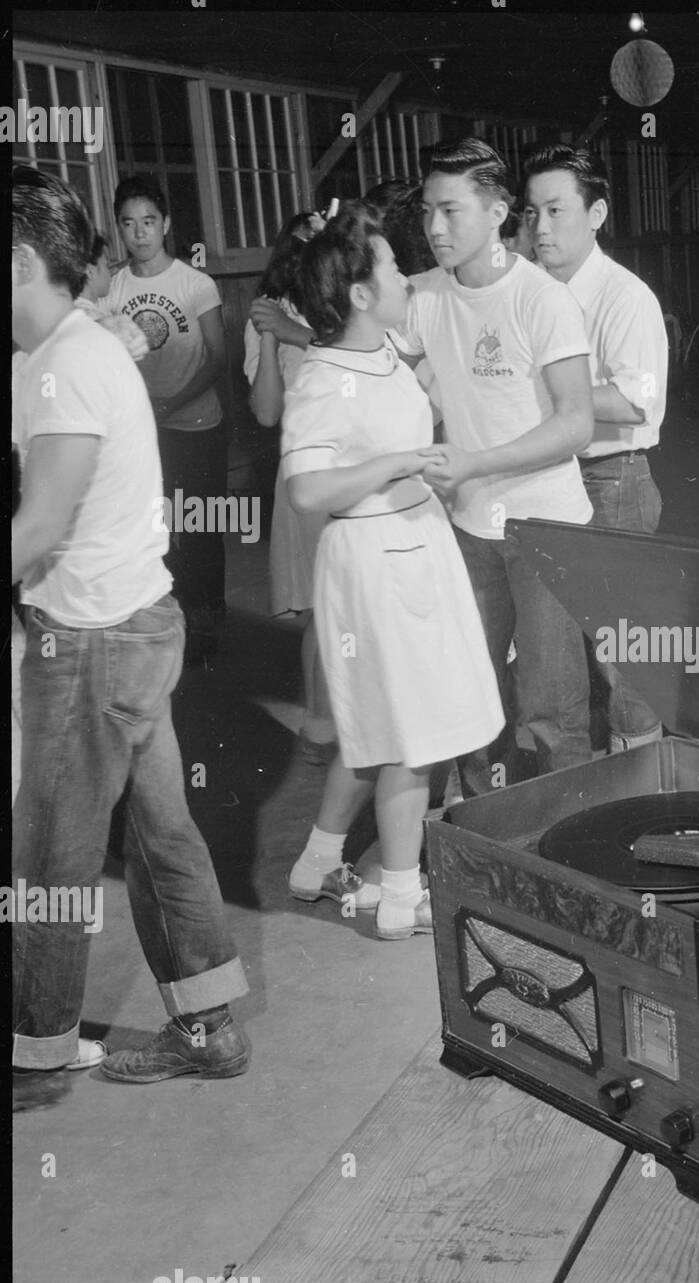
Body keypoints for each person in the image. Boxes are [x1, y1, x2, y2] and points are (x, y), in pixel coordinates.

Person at [11, 165, 251, 1086]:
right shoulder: (72, 349)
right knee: (162, 836)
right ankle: (207, 1027)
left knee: (48, 854)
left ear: (24, 257)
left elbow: (38, 526)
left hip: (93, 644)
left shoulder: (67, 365)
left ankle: (33, 1052)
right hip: (138, 626)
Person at [282, 203, 503, 940]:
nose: (406, 273)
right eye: (389, 266)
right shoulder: (322, 376)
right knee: (411, 731)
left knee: (372, 724)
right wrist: (402, 463)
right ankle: (403, 896)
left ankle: (317, 862)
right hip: (373, 561)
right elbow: (308, 490)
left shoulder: (383, 350)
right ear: (358, 295)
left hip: (415, 545)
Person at [404, 137, 595, 791]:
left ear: (497, 212)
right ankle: (496, 837)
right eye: (427, 210)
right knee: (474, 694)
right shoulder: (422, 296)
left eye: (451, 210)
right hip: (468, 529)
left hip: (545, 527)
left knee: (551, 707)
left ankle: (572, 851)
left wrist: (476, 461)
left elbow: (577, 421)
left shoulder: (541, 300)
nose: (433, 227)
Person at [522, 142, 668, 750]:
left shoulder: (624, 296)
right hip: (547, 477)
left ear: (598, 213)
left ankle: (642, 778)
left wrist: (547, 388)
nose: (540, 227)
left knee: (623, 650)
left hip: (612, 480)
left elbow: (638, 400)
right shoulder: (530, 292)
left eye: (557, 211)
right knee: (552, 647)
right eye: (531, 213)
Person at [102, 174, 230, 662]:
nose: (139, 233)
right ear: (119, 228)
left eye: (149, 222)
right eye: (129, 223)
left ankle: (206, 624)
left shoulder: (195, 283)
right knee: (155, 529)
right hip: (140, 433)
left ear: (166, 224)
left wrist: (171, 404)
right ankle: (166, 624)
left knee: (198, 528)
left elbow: (218, 358)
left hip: (196, 426)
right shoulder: (112, 286)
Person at [243, 210, 338, 760]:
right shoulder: (268, 317)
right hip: (306, 471)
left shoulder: (344, 311)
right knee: (319, 609)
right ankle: (319, 725)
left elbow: (364, 357)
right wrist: (273, 338)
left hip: (361, 465)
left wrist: (297, 332)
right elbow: (265, 412)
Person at [73, 232, 149, 360]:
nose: (113, 271)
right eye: (107, 265)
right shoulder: (108, 326)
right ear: (90, 271)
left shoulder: (62, 315)